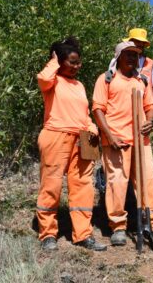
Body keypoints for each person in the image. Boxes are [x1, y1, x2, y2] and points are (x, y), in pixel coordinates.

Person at [92, 41, 153, 246]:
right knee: (116, 184)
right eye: (128, 54)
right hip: (116, 141)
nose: (132, 58)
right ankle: (118, 227)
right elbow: (98, 110)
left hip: (141, 141)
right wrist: (109, 136)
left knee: (148, 182)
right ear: (118, 56)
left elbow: (150, 106)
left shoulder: (141, 81)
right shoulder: (106, 79)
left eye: (135, 55)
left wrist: (149, 120)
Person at [35, 37, 106, 252]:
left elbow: (84, 114)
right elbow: (43, 77)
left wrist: (92, 130)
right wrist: (53, 61)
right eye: (72, 62)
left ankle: (83, 234)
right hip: (55, 136)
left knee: (83, 187)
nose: (78, 66)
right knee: (51, 186)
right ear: (59, 61)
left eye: (79, 62)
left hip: (83, 138)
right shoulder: (51, 81)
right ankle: (47, 234)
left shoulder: (79, 85)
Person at [123, 28, 153, 132]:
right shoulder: (119, 60)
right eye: (137, 41)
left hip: (145, 112)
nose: (140, 44)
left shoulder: (150, 63)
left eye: (142, 42)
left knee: (143, 142)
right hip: (122, 110)